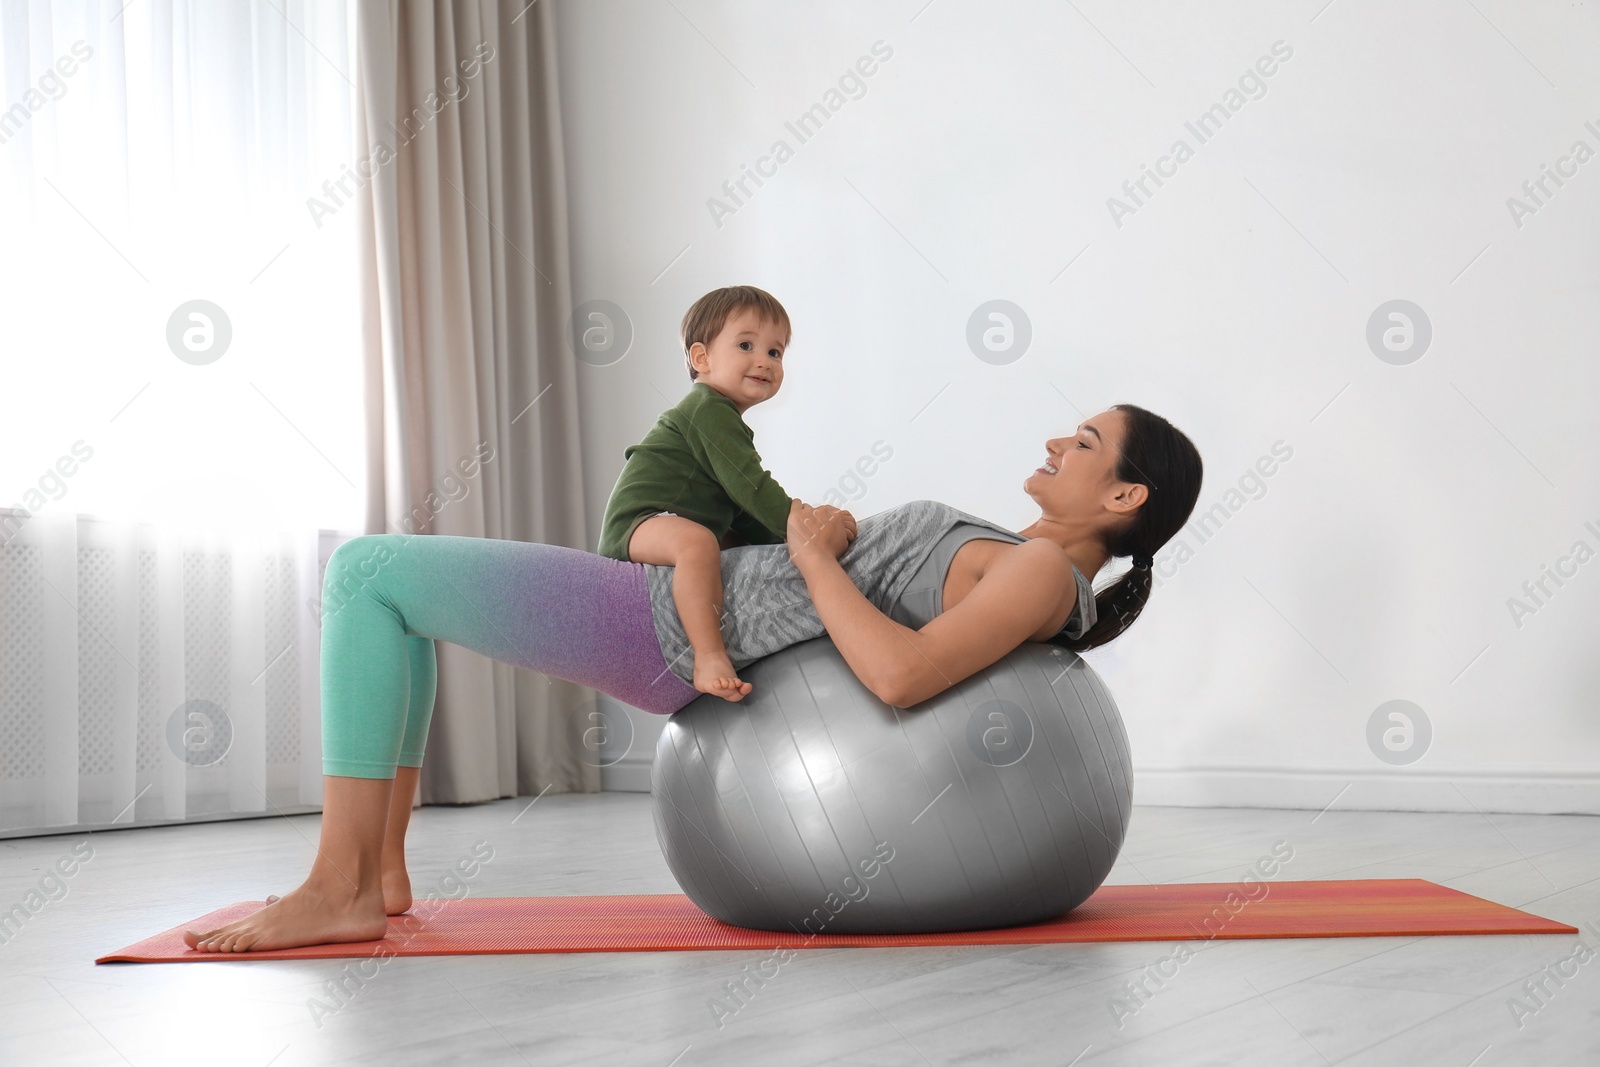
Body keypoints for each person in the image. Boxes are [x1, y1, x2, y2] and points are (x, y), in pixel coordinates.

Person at [183, 403, 1202, 952]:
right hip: (679, 610)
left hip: (662, 622)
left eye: (1080, 441)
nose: (1052, 440)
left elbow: (898, 677)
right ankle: (375, 873)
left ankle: (335, 885)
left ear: (1120, 491)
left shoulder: (1035, 572)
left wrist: (811, 553)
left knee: (368, 572)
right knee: (393, 593)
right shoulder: (1025, 560)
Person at [595, 285, 797, 702]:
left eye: (775, 352)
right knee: (697, 542)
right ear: (701, 358)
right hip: (638, 523)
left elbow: (740, 507)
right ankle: (708, 656)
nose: (765, 361)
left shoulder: (724, 418)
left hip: (671, 520)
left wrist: (787, 544)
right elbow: (752, 487)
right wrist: (802, 525)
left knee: (737, 544)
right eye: (746, 345)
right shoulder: (707, 409)